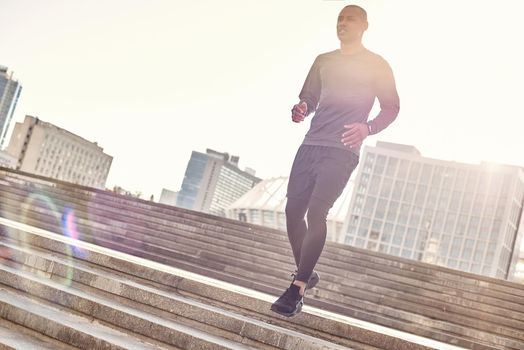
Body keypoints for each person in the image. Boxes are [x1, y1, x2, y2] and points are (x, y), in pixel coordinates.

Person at [270, 4, 400, 317]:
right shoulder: (323, 61)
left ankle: (297, 289)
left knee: (317, 212)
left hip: (342, 149)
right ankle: (307, 271)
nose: (342, 23)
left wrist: (368, 128)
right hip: (311, 144)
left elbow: (392, 107)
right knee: (292, 211)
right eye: (339, 19)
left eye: (350, 19)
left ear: (365, 25)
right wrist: (302, 108)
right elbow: (309, 98)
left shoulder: (377, 64)